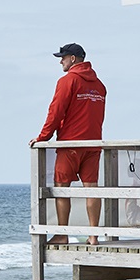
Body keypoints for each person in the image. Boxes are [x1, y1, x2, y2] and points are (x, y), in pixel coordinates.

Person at [33, 43, 107, 244]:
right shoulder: (99, 85)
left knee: (61, 187)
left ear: (73, 59)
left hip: (70, 143)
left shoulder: (67, 81)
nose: (60, 61)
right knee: (92, 188)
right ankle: (93, 236)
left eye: (63, 57)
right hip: (93, 143)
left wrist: (43, 137)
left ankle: (62, 234)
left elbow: (56, 111)